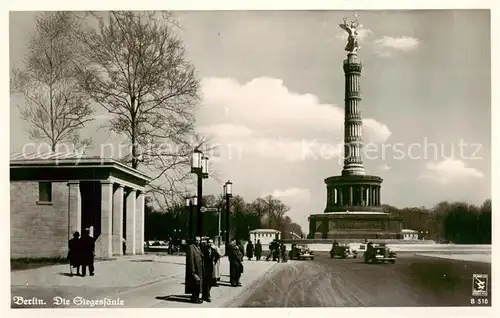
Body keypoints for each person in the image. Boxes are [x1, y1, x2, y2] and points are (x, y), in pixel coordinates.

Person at [186, 236, 204, 303]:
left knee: (198, 284)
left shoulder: (199, 247)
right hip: (195, 269)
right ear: (194, 240)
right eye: (196, 240)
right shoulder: (191, 247)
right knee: (196, 284)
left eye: (199, 240)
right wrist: (193, 272)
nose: (198, 242)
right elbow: (191, 260)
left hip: (200, 268)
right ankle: (195, 299)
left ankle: (196, 298)